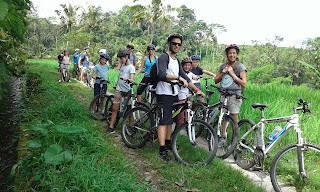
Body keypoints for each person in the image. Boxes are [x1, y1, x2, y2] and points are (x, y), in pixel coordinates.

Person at [156, 33, 205, 161]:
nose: (177, 46)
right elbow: (161, 74)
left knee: (170, 121)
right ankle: (162, 149)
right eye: (174, 43)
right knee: (164, 121)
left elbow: (187, 78)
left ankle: (167, 143)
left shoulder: (177, 61)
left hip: (174, 93)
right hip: (164, 93)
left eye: (179, 44)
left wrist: (197, 90)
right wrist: (177, 77)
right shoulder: (163, 57)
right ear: (169, 44)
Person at [214, 44, 247, 145]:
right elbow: (216, 80)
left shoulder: (240, 67)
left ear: (236, 55)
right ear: (227, 55)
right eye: (230, 53)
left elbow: (243, 83)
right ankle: (223, 139)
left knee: (234, 118)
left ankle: (235, 140)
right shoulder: (222, 66)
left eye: (234, 53)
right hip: (223, 95)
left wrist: (232, 74)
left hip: (234, 96)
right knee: (224, 116)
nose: (232, 55)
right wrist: (223, 73)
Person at [107, 49, 135, 134]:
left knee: (129, 109)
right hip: (119, 90)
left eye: (121, 58)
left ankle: (130, 126)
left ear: (127, 57)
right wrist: (117, 84)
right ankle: (111, 127)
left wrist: (128, 79)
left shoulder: (131, 67)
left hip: (127, 91)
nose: (120, 60)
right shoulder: (122, 66)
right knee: (115, 108)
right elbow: (120, 76)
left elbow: (132, 79)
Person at [177, 57, 195, 127]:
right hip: (180, 93)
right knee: (181, 110)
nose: (187, 67)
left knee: (189, 108)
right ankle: (180, 125)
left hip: (187, 93)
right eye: (185, 65)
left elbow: (192, 79)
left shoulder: (190, 74)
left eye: (188, 65)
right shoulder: (179, 74)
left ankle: (187, 122)